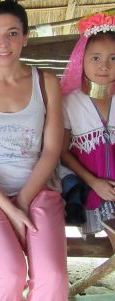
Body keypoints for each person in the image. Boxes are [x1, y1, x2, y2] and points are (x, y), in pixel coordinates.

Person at [0, 0, 68, 301]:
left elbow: (51, 150)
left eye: (12, 33)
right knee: (10, 273)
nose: (2, 43)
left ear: (26, 37)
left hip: (39, 191)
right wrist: (10, 210)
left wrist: (21, 202)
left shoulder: (46, 83)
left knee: (53, 276)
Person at [60, 12, 115, 235]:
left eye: (114, 58)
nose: (104, 66)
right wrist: (94, 182)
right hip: (89, 188)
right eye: (95, 58)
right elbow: (62, 152)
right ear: (81, 60)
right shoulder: (69, 103)